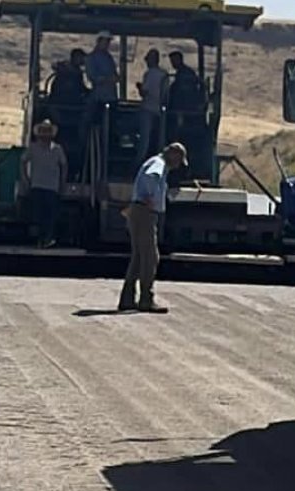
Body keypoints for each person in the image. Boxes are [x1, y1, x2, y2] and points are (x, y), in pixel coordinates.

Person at [119, 143, 187, 313]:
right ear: (172, 154)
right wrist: (149, 197)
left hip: (139, 210)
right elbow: (151, 177)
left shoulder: (154, 161)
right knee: (150, 257)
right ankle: (146, 300)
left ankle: (127, 298)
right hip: (145, 212)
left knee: (139, 257)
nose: (178, 164)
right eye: (178, 159)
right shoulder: (159, 164)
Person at [21, 119, 68, 249]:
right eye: (43, 131)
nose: (45, 134)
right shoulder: (33, 148)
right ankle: (39, 239)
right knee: (38, 214)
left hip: (52, 187)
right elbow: (23, 161)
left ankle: (47, 238)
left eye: (47, 131)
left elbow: (64, 166)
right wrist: (25, 179)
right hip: (37, 185)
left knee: (50, 215)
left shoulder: (57, 149)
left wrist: (62, 183)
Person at [135, 48, 168, 159]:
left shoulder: (150, 74)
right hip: (159, 110)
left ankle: (138, 162)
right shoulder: (164, 74)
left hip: (147, 108)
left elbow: (144, 93)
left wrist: (139, 87)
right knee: (157, 138)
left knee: (144, 138)